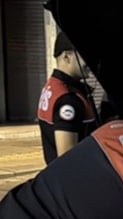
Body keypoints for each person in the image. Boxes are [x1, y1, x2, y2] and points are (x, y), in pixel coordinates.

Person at [37, 32, 98, 165]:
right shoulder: (67, 99)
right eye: (84, 54)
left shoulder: (53, 87)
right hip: (77, 175)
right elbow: (67, 158)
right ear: (66, 57)